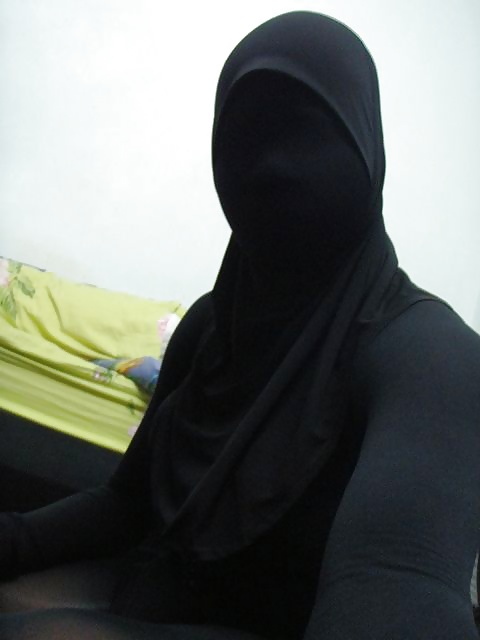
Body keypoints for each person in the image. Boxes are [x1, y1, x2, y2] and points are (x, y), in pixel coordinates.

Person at [1, 10, 480, 639]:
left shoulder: (428, 354)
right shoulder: (211, 324)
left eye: (305, 131)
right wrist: (15, 536)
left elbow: (399, 586)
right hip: (151, 592)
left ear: (367, 152)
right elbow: (126, 502)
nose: (270, 163)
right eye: (243, 133)